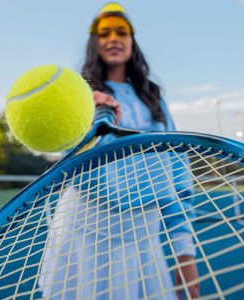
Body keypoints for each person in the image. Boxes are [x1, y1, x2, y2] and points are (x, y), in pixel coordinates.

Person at [39, 3, 199, 299]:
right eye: (105, 33)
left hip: (142, 232)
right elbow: (66, 160)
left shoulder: (154, 100)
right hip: (85, 229)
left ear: (132, 42)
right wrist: (87, 116)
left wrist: (184, 252)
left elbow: (177, 174)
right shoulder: (80, 95)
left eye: (122, 32)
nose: (114, 38)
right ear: (94, 42)